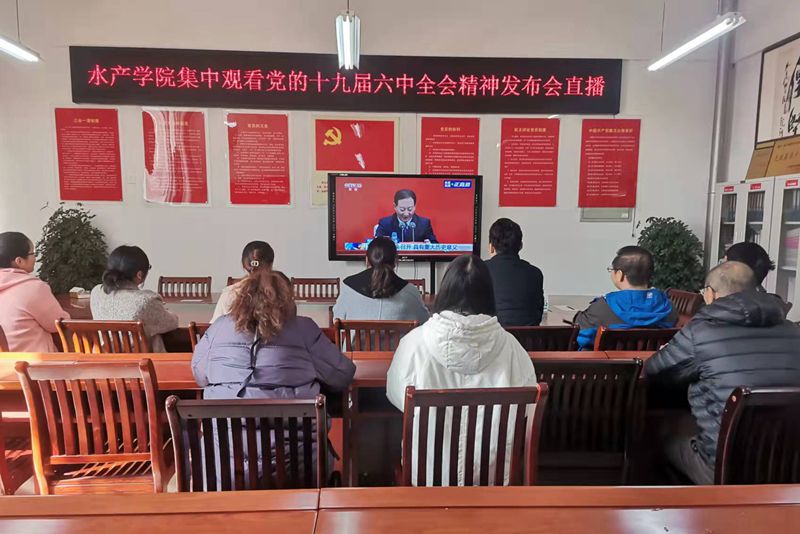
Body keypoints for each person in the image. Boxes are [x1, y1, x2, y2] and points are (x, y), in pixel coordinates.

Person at [386, 254, 537, 485]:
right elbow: (526, 410)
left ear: (445, 291)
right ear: (489, 294)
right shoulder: (513, 349)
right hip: (493, 480)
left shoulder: (413, 344)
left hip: (427, 478)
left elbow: (397, 398)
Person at [645, 261, 800, 485]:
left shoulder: (700, 331)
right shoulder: (793, 331)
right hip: (790, 466)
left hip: (726, 468)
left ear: (710, 293)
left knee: (659, 434)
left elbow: (653, 371)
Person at [192, 267, 356, 477]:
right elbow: (343, 374)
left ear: (242, 298)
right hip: (300, 473)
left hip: (223, 475)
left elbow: (199, 375)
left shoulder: (218, 328)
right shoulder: (305, 329)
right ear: (288, 298)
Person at [573, 246, 677, 349]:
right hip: (654, 359)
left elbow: (580, 336)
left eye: (612, 269)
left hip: (610, 360)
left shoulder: (604, 307)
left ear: (620, 274)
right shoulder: (669, 307)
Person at [90, 245, 178, 352]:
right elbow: (172, 323)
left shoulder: (96, 292)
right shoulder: (146, 300)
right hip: (139, 361)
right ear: (139, 275)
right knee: (154, 335)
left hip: (102, 360)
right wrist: (166, 311)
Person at [333, 237, 429, 324]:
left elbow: (336, 319)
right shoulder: (411, 292)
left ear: (367, 260)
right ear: (396, 261)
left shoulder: (348, 288)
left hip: (357, 339)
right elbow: (425, 322)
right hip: (399, 340)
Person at [0, 231, 68, 351]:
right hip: (35, 361)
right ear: (19, 261)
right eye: (33, 253)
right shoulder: (34, 288)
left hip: (5, 362)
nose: (35, 258)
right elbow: (59, 324)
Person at [484, 218, 544, 326]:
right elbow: (538, 315)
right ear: (520, 246)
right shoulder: (535, 273)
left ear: (491, 247)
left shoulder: (479, 271)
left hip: (491, 336)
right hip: (528, 337)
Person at [211, 241, 275, 322]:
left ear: (244, 265)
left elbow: (215, 326)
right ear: (271, 264)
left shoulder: (229, 293)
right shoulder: (283, 294)